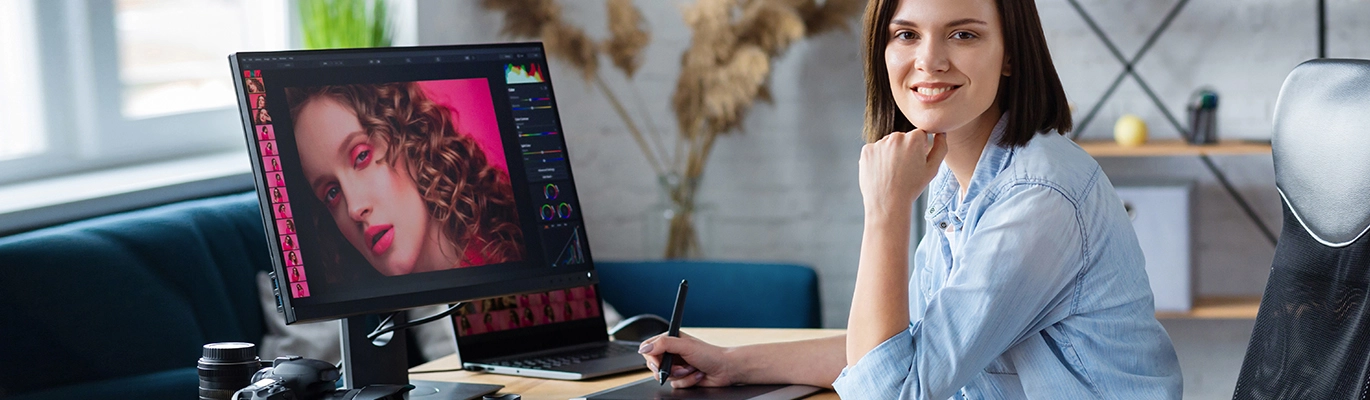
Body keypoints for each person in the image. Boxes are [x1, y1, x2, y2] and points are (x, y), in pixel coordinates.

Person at [636, 0, 1182, 397]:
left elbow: (891, 392)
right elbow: (899, 351)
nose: (930, 60)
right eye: (905, 35)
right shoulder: (956, 175)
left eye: (963, 35)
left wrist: (885, 211)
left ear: (1010, 54)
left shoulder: (1036, 197)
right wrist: (730, 365)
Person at [287, 82, 525, 276]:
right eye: (332, 193)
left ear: (408, 137)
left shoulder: (516, 266)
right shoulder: (377, 324)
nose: (354, 208)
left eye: (361, 156)